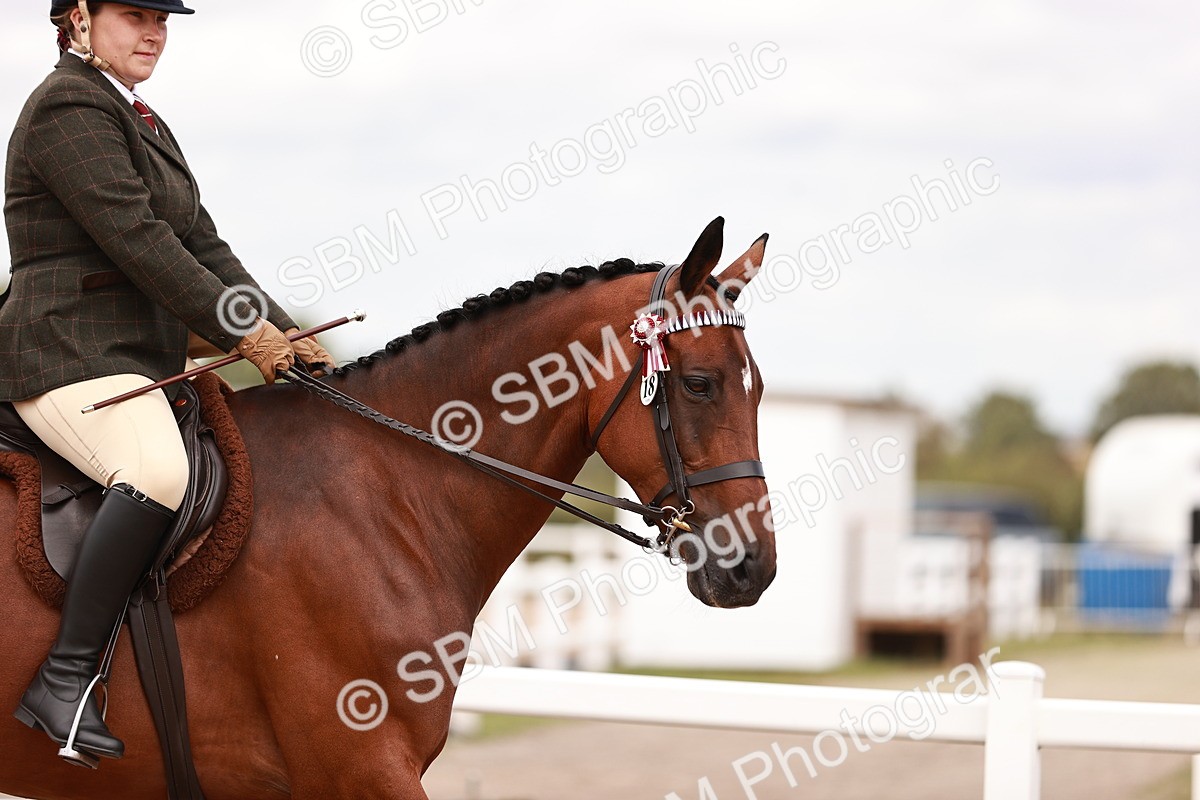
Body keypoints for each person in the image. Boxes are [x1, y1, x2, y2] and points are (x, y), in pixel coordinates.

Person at [0, 0, 333, 765]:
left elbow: (202, 243)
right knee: (153, 469)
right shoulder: (67, 106)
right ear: (78, 17)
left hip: (139, 360)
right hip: (65, 353)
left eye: (163, 18)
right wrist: (241, 333)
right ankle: (64, 679)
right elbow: (140, 241)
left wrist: (291, 335)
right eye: (135, 15)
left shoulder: (140, 118)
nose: (155, 31)